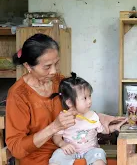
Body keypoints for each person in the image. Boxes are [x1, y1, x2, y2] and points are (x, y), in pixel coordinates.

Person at [5, 34, 127, 165]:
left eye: (56, 64)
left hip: (73, 152)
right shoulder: (18, 95)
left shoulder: (59, 81)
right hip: (41, 160)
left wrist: (100, 118)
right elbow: (16, 149)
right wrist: (54, 127)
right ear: (28, 66)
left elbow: (76, 110)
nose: (53, 71)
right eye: (47, 66)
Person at [49, 72, 123, 165]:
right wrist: (63, 144)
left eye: (90, 96)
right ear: (69, 103)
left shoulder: (92, 115)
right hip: (71, 152)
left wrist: (114, 127)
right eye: (84, 98)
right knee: (57, 157)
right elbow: (56, 136)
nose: (89, 101)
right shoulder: (64, 118)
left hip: (91, 150)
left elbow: (102, 129)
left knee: (99, 154)